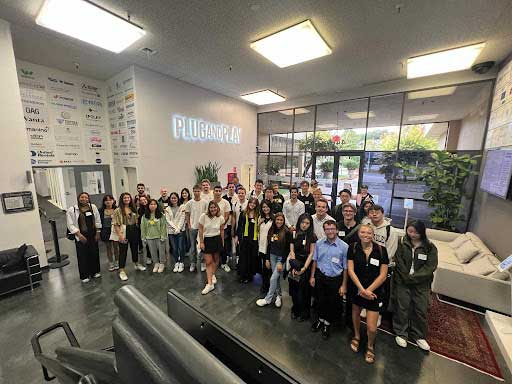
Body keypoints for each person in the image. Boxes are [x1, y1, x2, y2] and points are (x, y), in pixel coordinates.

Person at [393, 221, 438, 351]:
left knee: (420, 308)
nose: (412, 234)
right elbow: (399, 260)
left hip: (421, 283)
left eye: (415, 232)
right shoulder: (402, 242)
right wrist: (405, 276)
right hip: (403, 280)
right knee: (402, 306)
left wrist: (415, 277)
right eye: (409, 231)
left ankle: (419, 335)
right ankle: (401, 332)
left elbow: (430, 266)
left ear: (421, 232)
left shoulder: (430, 247)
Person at [348, 225, 389, 364]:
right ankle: (357, 336)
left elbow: (383, 275)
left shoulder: (381, 250)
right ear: (359, 233)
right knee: (356, 313)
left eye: (369, 233)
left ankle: (370, 345)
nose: (366, 235)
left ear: (373, 234)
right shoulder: (353, 247)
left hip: (374, 293)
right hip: (357, 289)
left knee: (372, 328)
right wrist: (361, 290)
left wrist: (368, 291)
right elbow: (351, 270)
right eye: (363, 232)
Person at [309, 220, 348, 340]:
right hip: (320, 276)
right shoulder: (319, 243)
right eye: (327, 229)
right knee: (320, 300)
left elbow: (346, 268)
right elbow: (315, 260)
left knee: (332, 302)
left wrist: (344, 285)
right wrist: (312, 276)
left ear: (336, 230)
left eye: (332, 229)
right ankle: (320, 320)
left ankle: (327, 324)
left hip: (335, 279)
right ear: (324, 231)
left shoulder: (344, 247)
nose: (330, 231)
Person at [256, 213, 292, 308]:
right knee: (276, 278)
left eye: (281, 220)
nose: (279, 221)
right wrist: (267, 259)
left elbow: (287, 249)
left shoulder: (287, 232)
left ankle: (268, 299)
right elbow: (269, 245)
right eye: (277, 219)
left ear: (284, 221)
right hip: (272, 256)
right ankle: (279, 296)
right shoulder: (271, 229)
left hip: (281, 258)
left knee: (273, 278)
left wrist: (281, 262)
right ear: (275, 220)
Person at [66, 192, 102, 283]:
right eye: (82, 197)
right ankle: (84, 275)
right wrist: (79, 235)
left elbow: (97, 219)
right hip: (81, 235)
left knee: (94, 253)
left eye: (86, 197)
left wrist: (98, 232)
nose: (84, 199)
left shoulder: (93, 207)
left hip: (93, 234)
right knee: (82, 255)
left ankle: (94, 272)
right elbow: (70, 224)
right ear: (78, 198)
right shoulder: (72, 209)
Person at [288, 213, 317, 321]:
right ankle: (295, 309)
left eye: (307, 223)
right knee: (294, 289)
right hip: (295, 262)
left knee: (304, 291)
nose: (304, 225)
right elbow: (292, 250)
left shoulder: (312, 236)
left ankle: (305, 312)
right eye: (302, 222)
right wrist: (295, 265)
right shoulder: (294, 233)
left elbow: (311, 253)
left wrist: (304, 268)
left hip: (306, 264)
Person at [113, 192, 146, 281]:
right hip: (124, 230)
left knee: (135, 247)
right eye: (125, 198)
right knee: (123, 250)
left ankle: (136, 263)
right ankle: (122, 270)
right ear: (121, 199)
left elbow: (137, 218)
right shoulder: (118, 210)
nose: (127, 199)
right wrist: (120, 235)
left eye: (128, 198)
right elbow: (115, 224)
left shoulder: (133, 207)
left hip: (134, 229)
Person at [199, 201, 225, 295]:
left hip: (217, 239)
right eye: (211, 207)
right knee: (208, 261)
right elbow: (200, 229)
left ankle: (213, 274)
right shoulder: (203, 216)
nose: (213, 209)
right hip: (207, 240)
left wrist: (222, 242)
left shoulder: (220, 217)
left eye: (214, 207)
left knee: (216, 259)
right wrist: (201, 242)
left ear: (217, 208)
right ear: (208, 208)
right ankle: (209, 284)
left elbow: (222, 230)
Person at [235, 197, 260, 283]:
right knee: (243, 257)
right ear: (248, 203)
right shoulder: (243, 213)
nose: (252, 205)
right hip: (244, 239)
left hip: (254, 240)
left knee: (252, 257)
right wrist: (237, 237)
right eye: (251, 203)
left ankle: (250, 276)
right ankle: (242, 275)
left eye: (254, 203)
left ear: (256, 205)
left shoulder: (258, 215)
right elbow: (239, 227)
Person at [185, 185, 208, 272]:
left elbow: (206, 215)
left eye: (198, 191)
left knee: (202, 245)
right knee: (192, 246)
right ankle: (193, 263)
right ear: (193, 191)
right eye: (195, 191)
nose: (196, 193)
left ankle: (202, 263)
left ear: (201, 191)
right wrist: (189, 226)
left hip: (202, 228)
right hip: (193, 228)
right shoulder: (189, 203)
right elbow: (187, 215)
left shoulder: (205, 202)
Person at [141, 199, 167, 273]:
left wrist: (163, 236)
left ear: (157, 205)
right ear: (148, 205)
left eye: (154, 204)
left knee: (161, 251)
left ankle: (162, 263)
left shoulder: (161, 215)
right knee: (152, 251)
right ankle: (156, 263)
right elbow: (143, 227)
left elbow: (163, 226)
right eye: (151, 204)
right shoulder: (145, 216)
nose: (153, 206)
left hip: (159, 237)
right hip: (149, 237)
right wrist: (143, 237)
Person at [165, 192, 186, 273]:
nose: (173, 199)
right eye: (172, 198)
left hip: (180, 230)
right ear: (170, 199)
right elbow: (168, 220)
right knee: (174, 248)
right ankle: (177, 262)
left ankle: (182, 263)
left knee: (181, 247)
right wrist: (175, 228)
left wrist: (178, 228)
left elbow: (182, 218)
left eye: (175, 198)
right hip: (171, 231)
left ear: (178, 198)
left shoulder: (182, 207)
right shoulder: (167, 209)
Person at [213, 185, 232, 272]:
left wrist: (221, 225)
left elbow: (227, 215)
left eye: (219, 191)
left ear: (221, 192)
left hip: (223, 228)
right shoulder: (211, 202)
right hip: (213, 229)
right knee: (214, 246)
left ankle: (224, 263)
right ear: (213, 192)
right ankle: (214, 263)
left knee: (223, 246)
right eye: (216, 191)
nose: (217, 192)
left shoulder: (226, 202)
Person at [99, 194, 119, 271]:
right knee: (108, 247)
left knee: (116, 247)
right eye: (106, 200)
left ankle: (117, 262)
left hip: (115, 230)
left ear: (113, 201)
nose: (108, 201)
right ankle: (111, 263)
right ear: (104, 202)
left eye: (110, 200)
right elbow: (99, 221)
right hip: (105, 231)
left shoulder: (117, 209)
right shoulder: (101, 210)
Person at [257, 200, 273, 294]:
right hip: (261, 246)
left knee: (269, 267)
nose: (265, 209)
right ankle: (264, 285)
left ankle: (270, 286)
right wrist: (259, 224)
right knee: (264, 267)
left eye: (267, 207)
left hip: (270, 247)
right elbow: (258, 231)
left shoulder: (273, 219)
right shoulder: (260, 218)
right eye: (263, 207)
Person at [232, 186, 248, 266]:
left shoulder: (248, 203)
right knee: (238, 244)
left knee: (245, 244)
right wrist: (233, 229)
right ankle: (238, 259)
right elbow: (234, 217)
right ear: (237, 194)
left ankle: (245, 259)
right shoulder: (235, 204)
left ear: (245, 194)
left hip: (246, 228)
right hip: (238, 228)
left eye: (242, 193)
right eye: (239, 193)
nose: (241, 194)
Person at [137, 195, 151, 264]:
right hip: (145, 229)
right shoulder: (139, 210)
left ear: (147, 199)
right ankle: (149, 257)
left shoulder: (151, 206)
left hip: (153, 228)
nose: (143, 201)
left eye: (144, 199)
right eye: (141, 200)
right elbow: (139, 221)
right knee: (147, 244)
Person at [179, 187, 192, 254]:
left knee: (189, 237)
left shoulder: (191, 201)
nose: (184, 194)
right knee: (183, 237)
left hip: (188, 222)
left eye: (185, 193)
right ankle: (184, 250)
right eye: (183, 193)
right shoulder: (180, 202)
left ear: (188, 194)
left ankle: (190, 250)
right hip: (181, 222)